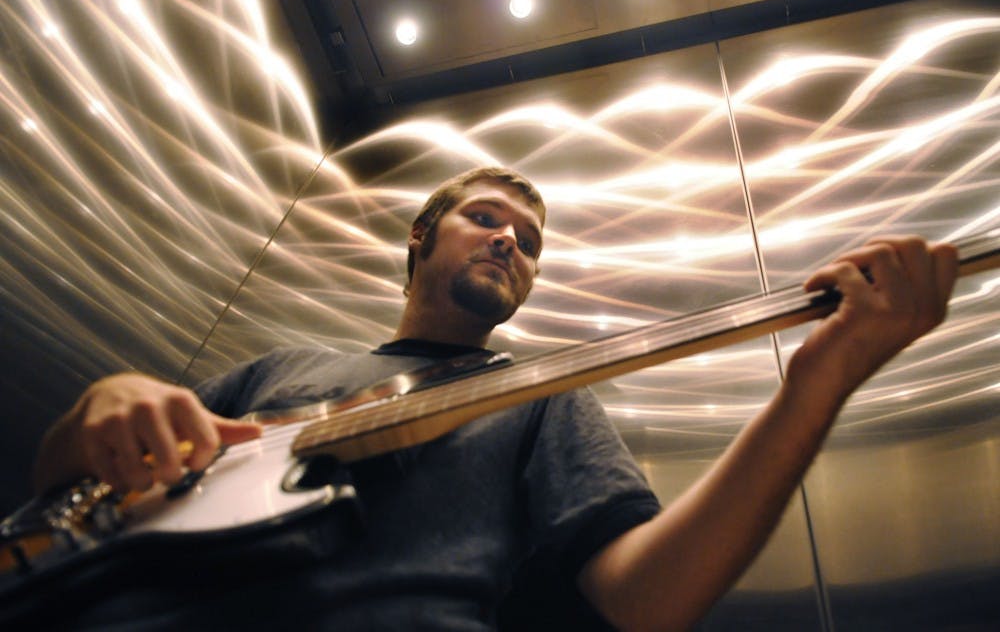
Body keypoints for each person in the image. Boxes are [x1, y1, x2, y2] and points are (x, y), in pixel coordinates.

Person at [31, 167, 958, 630]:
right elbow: (62, 492)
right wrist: (100, 403)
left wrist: (817, 383)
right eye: (484, 218)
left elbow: (647, 597)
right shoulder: (278, 369)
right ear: (420, 237)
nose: (510, 241)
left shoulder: (544, 396)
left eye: (530, 241)